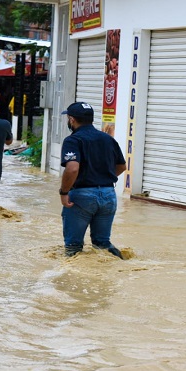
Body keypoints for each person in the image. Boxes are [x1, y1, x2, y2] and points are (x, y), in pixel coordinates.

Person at [58, 102, 127, 259]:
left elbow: (72, 169)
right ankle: (120, 264)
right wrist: (103, 180)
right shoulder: (108, 139)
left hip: (82, 196)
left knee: (73, 248)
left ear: (71, 119)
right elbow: (122, 166)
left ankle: (70, 280)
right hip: (109, 195)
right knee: (102, 244)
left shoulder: (73, 140)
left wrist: (64, 192)